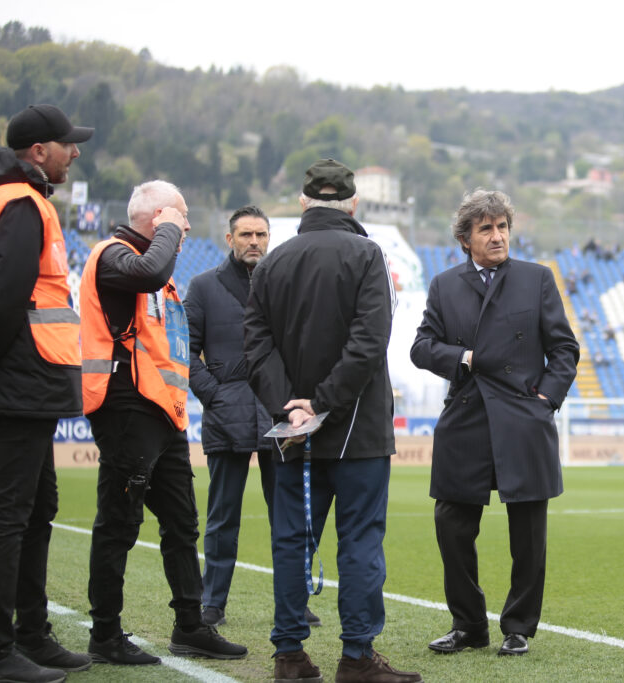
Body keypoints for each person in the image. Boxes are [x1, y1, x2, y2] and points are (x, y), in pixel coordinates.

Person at [244, 159, 421, 683]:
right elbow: (369, 344)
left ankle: (289, 655)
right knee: (360, 542)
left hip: (293, 432)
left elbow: (256, 349)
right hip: (358, 432)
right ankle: (358, 657)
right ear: (354, 205)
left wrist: (295, 406)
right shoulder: (368, 255)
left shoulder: (272, 263)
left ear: (302, 203)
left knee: (292, 541)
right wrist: (321, 403)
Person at [80, 180, 247, 665]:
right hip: (127, 409)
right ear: (157, 219)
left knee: (182, 523)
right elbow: (148, 271)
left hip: (163, 414)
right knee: (119, 523)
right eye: (181, 216)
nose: (188, 225)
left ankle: (190, 626)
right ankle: (105, 635)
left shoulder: (160, 274)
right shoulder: (112, 256)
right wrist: (169, 230)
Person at [411, 189, 579, 658]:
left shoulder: (537, 279)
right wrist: (462, 356)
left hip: (522, 421)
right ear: (466, 238)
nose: (497, 235)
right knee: (452, 526)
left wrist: (545, 400)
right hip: (465, 419)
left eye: (502, 226)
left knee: (528, 534)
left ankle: (519, 626)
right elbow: (421, 347)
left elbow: (564, 349)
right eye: (485, 228)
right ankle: (468, 625)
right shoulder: (444, 285)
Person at [0, 104, 94, 682]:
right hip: (20, 383)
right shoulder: (22, 204)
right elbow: (3, 298)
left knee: (36, 508)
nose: (73, 152)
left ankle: (30, 634)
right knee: (8, 515)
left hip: (33, 383)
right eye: (66, 144)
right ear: (38, 152)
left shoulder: (19, 200)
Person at [184, 206, 322, 630]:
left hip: (278, 416)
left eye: (261, 235)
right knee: (222, 517)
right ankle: (213, 603)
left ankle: (296, 602)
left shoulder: (284, 286)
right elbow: (184, 352)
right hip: (227, 418)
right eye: (245, 234)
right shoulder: (204, 287)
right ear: (229, 239)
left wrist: (296, 403)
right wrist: (216, 396)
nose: (254, 242)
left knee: (287, 515)